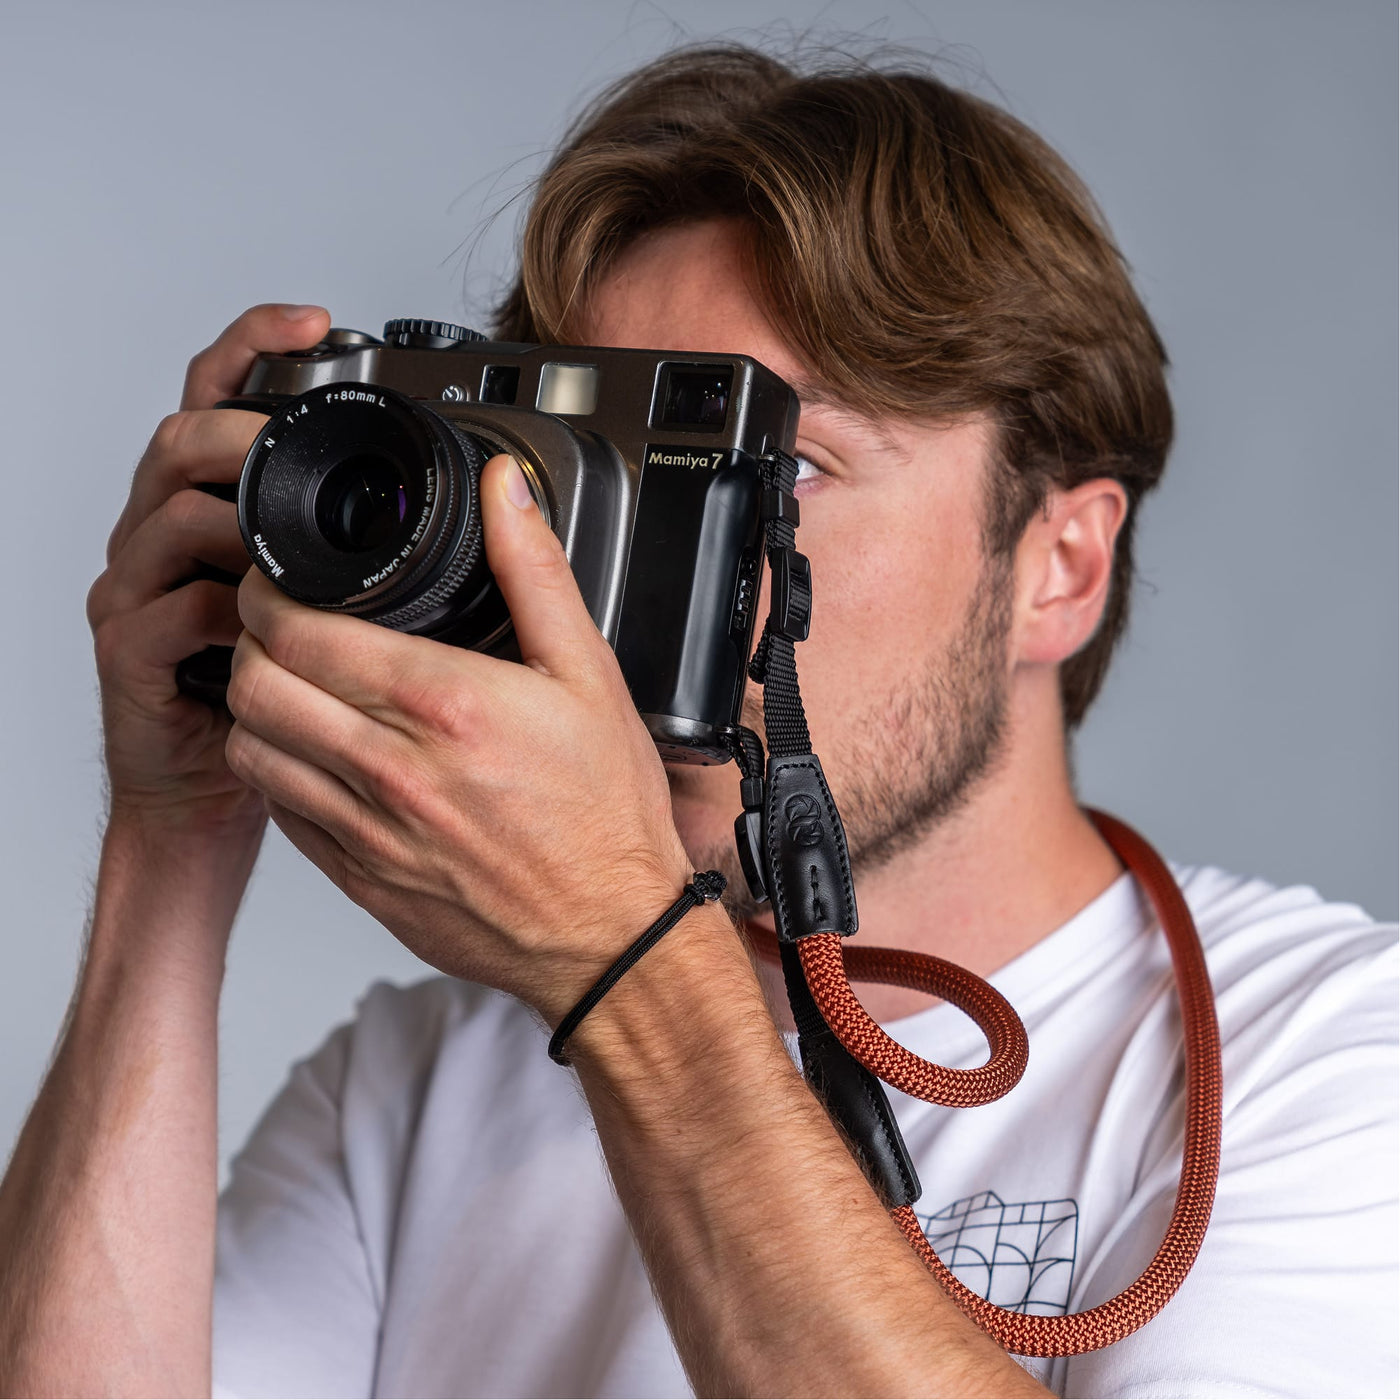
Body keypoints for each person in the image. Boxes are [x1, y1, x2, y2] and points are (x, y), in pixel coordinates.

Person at [0, 43, 1394, 1400]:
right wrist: (174, 840)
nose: (646, 592)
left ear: (1059, 567)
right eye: (617, 482)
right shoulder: (416, 1090)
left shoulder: (1326, 1059)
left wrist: (624, 964)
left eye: (776, 479)